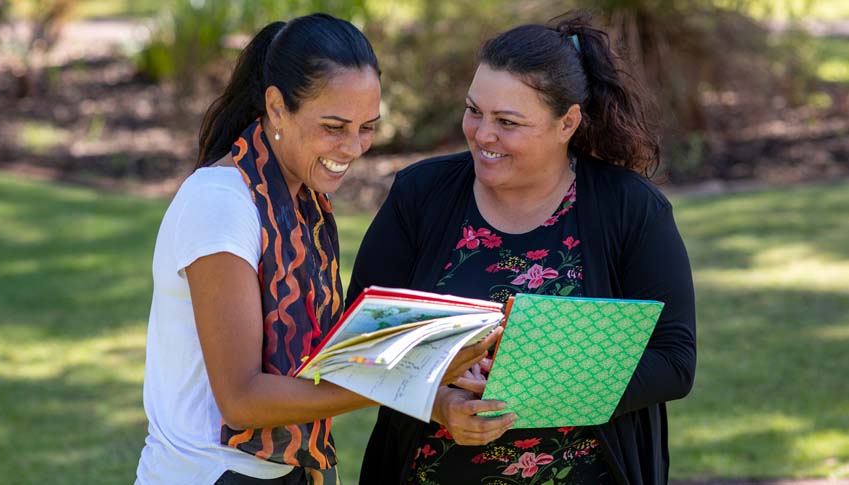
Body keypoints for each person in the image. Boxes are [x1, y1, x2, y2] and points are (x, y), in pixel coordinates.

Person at [135, 13, 502, 485]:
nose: (352, 147)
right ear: (276, 106)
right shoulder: (220, 203)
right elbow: (243, 400)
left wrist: (437, 395)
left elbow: (327, 365)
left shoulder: (303, 202)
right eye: (334, 126)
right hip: (208, 473)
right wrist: (413, 373)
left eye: (367, 127)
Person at [347, 11, 696, 485]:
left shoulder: (632, 209)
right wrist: (441, 403)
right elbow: (360, 342)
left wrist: (529, 386)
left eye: (508, 121)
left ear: (567, 122)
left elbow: (673, 360)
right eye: (474, 111)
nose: (483, 135)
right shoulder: (420, 195)